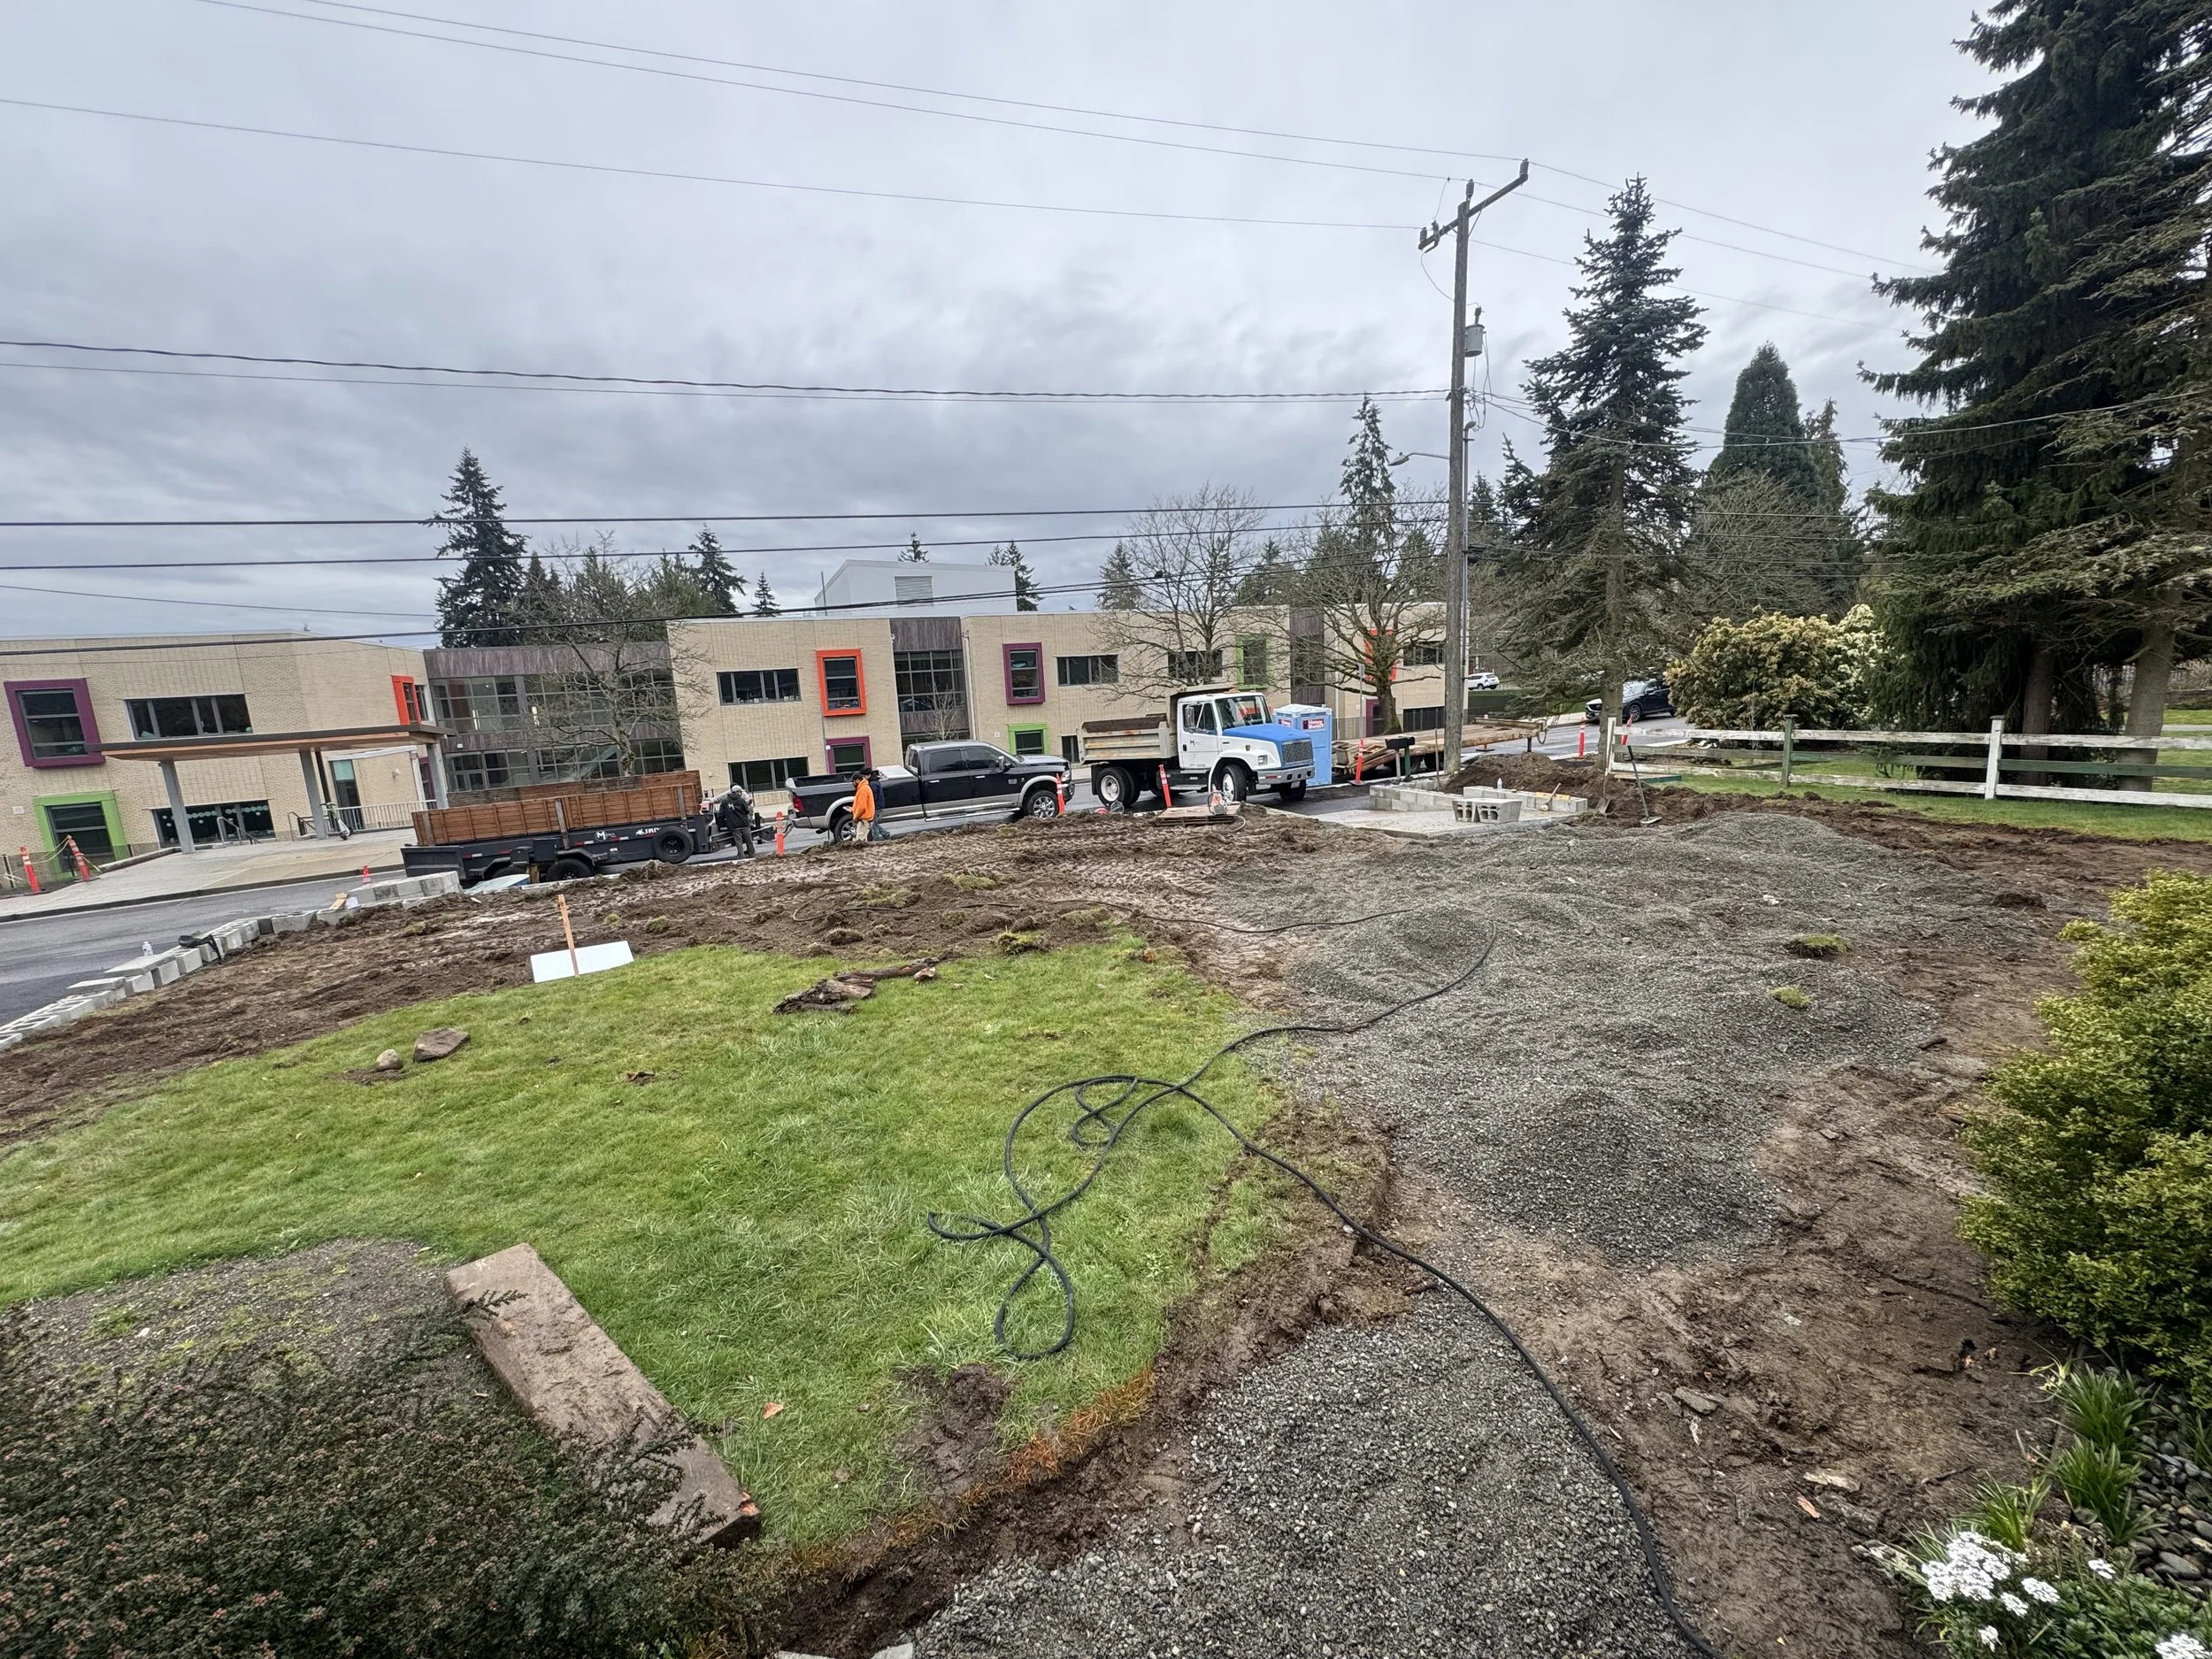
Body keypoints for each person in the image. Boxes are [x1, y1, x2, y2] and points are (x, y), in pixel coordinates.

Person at [850, 768, 877, 844]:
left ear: (857, 780)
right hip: (866, 820)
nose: (853, 783)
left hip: (864, 821)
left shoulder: (863, 790)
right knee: (864, 841)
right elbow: (861, 805)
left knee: (860, 842)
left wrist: (855, 817)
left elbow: (862, 807)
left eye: (853, 781)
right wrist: (853, 809)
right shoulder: (864, 788)